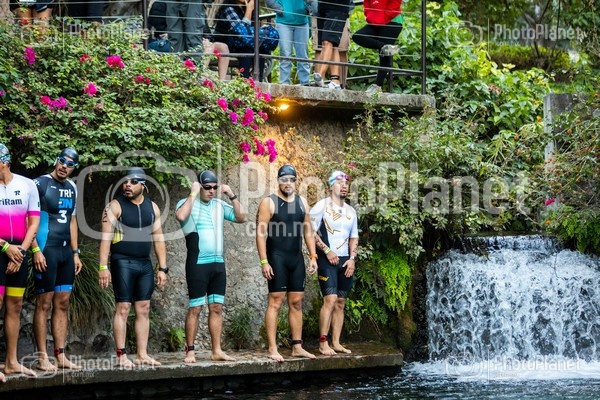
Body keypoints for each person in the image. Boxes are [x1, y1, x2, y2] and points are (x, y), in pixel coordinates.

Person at [98, 167, 168, 368]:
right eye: (126, 181)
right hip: (122, 262)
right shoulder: (115, 206)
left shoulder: (152, 207)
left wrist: (163, 268)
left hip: (144, 263)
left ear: (143, 186)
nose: (127, 185)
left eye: (133, 182)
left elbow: (159, 239)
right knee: (123, 307)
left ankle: (142, 354)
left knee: (144, 308)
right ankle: (121, 355)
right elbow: (105, 239)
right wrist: (103, 266)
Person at [175, 170, 246, 363]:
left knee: (216, 308)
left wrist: (231, 194)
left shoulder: (219, 205)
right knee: (195, 308)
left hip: (218, 264)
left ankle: (216, 351)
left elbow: (242, 218)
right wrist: (192, 193)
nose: (211, 191)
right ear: (199, 186)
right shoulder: (186, 203)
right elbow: (181, 216)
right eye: (207, 187)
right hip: (198, 263)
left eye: (215, 187)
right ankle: (190, 351)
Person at [256, 164, 318, 362]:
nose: (288, 183)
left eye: (292, 179)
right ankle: (272, 348)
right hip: (277, 258)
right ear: (278, 181)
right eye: (284, 179)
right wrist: (264, 261)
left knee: (296, 302)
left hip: (296, 258)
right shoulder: (269, 202)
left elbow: (308, 231)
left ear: (296, 181)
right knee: (275, 301)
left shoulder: (302, 202)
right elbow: (260, 234)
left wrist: (313, 256)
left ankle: (297, 346)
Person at [32, 147, 82, 371]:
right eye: (62, 161)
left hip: (65, 253)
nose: (64, 166)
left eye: (70, 164)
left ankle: (60, 355)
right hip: (46, 249)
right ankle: (42, 357)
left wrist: (75, 252)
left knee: (63, 303)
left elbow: (72, 221)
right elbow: (29, 218)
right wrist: (35, 249)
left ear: (74, 168)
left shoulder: (72, 187)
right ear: (56, 160)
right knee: (43, 303)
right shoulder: (39, 184)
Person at [0, 143, 41, 379]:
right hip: (2, 249)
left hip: (20, 253)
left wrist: (21, 253)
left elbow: (33, 222)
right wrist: (6, 247)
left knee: (15, 305)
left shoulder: (27, 185)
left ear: (5, 162)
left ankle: (11, 362)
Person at [309, 170, 358, 355]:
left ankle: (336, 342)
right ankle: (323, 343)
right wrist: (326, 250)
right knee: (329, 299)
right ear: (331, 186)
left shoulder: (351, 211)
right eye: (339, 182)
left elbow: (354, 237)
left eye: (346, 183)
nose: (344, 186)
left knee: (341, 302)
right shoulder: (321, 206)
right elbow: (309, 231)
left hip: (345, 260)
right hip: (326, 258)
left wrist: (352, 259)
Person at [352, 0, 403, 94]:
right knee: (357, 36)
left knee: (384, 55)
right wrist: (372, 17)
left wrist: (383, 17)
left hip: (392, 20)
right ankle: (387, 47)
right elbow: (367, 4)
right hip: (376, 21)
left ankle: (377, 86)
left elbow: (395, 3)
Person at [214, 0, 271, 81]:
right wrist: (249, 10)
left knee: (260, 50)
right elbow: (242, 32)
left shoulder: (244, 9)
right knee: (246, 51)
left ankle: (258, 82)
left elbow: (251, 34)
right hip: (226, 43)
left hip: (240, 44)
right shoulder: (229, 9)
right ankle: (244, 82)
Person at [265, 0, 314, 85]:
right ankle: (284, 84)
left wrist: (308, 8)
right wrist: (278, 8)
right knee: (285, 54)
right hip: (283, 22)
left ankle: (305, 83)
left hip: (302, 21)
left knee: (303, 55)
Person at [312, 0, 353, 89]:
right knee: (331, 44)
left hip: (337, 7)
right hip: (322, 7)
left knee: (328, 41)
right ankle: (335, 82)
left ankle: (320, 76)